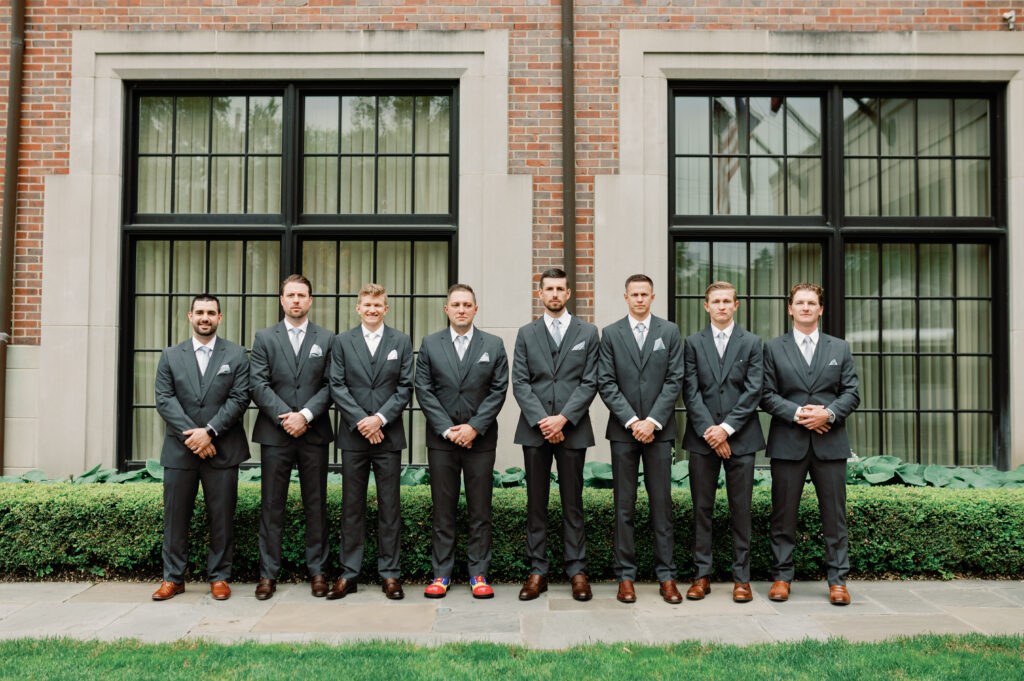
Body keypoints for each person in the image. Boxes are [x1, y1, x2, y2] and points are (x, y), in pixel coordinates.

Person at [761, 283, 860, 606]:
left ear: (820, 309)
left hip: (829, 444)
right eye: (799, 303)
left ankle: (838, 581)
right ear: (790, 309)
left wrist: (828, 414)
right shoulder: (773, 349)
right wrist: (799, 413)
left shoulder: (840, 348)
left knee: (835, 516)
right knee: (783, 515)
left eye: (811, 303)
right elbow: (765, 394)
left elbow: (852, 393)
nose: (805, 307)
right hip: (788, 443)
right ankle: (781, 576)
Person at [152, 294, 250, 602]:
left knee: (221, 517)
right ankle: (173, 578)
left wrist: (209, 432)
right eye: (199, 312)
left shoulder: (235, 355)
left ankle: (219, 577)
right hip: (180, 453)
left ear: (220, 318)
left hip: (223, 449)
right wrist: (193, 438)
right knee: (175, 518)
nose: (204, 317)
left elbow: (239, 399)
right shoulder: (170, 355)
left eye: (211, 313)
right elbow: (165, 399)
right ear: (189, 317)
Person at [415, 284, 509, 599]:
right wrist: (447, 428)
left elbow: (499, 390)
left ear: (475, 309)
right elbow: (424, 389)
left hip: (480, 442)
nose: (461, 310)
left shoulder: (493, 345)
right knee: (444, 509)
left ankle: (478, 574)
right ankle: (441, 574)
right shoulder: (430, 344)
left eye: (467, 304)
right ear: (447, 309)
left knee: (480, 509)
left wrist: (473, 428)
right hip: (442, 441)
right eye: (455, 304)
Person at [511, 268, 600, 602]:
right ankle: (538, 571)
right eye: (548, 289)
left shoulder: (588, 332)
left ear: (569, 293)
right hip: (535, 432)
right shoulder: (526, 333)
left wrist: (562, 419)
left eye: (560, 289)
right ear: (540, 293)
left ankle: (577, 571)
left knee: (573, 503)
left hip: (573, 429)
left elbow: (590, 381)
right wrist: (542, 421)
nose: (554, 294)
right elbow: (520, 381)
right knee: (536, 502)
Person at [597, 274, 685, 604]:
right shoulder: (611, 334)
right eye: (634, 294)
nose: (639, 299)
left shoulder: (670, 332)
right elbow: (605, 382)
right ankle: (625, 577)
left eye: (644, 294)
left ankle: (667, 576)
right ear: (625, 297)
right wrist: (634, 421)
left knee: (662, 506)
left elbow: (675, 378)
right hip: (624, 431)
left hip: (660, 432)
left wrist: (653, 421)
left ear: (653, 296)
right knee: (624, 507)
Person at [326, 283, 414, 601]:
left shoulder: (401, 341)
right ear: (358, 308)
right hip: (354, 436)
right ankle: (349, 574)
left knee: (390, 507)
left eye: (378, 305)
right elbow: (336, 385)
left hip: (388, 436)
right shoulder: (342, 342)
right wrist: (363, 422)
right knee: (352, 507)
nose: (372, 309)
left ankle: (390, 574)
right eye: (367, 305)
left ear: (386, 309)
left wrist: (380, 419)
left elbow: (405, 387)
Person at [249, 274, 334, 600]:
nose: (296, 300)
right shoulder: (264, 338)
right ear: (282, 300)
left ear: (310, 300)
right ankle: (268, 575)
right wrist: (287, 417)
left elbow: (331, 384)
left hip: (314, 433)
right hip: (276, 433)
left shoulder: (327, 338)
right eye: (291, 295)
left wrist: (306, 416)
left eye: (302, 295)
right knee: (272, 506)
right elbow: (258, 384)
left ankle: (318, 573)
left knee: (316, 505)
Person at [680, 281, 765, 603]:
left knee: (740, 510)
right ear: (706, 306)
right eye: (716, 301)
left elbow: (753, 390)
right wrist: (711, 432)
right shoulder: (692, 343)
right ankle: (701, 576)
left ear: (736, 305)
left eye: (727, 301)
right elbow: (690, 390)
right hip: (702, 441)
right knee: (702, 509)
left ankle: (741, 579)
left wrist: (726, 429)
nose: (721, 306)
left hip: (741, 439)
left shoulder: (753, 343)